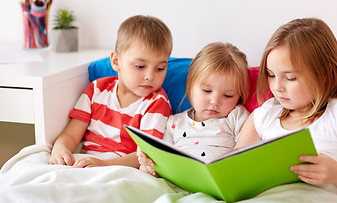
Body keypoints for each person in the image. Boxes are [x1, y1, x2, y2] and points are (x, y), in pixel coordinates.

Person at [235, 18, 337, 203]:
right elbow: (232, 169)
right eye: (271, 75)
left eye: (290, 78)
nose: (277, 87)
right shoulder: (264, 115)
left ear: (323, 74)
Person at [49, 15, 173, 168]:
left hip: (123, 169)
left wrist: (104, 164)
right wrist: (60, 150)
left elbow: (147, 155)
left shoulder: (157, 103)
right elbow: (70, 134)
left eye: (160, 68)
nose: (150, 76)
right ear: (116, 62)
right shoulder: (97, 89)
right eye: (140, 66)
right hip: (87, 164)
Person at [138, 42, 251, 177]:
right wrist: (150, 166)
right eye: (206, 90)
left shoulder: (237, 116)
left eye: (228, 95)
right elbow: (163, 161)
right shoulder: (173, 122)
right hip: (179, 182)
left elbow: (247, 154)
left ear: (239, 96)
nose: (215, 101)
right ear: (190, 86)